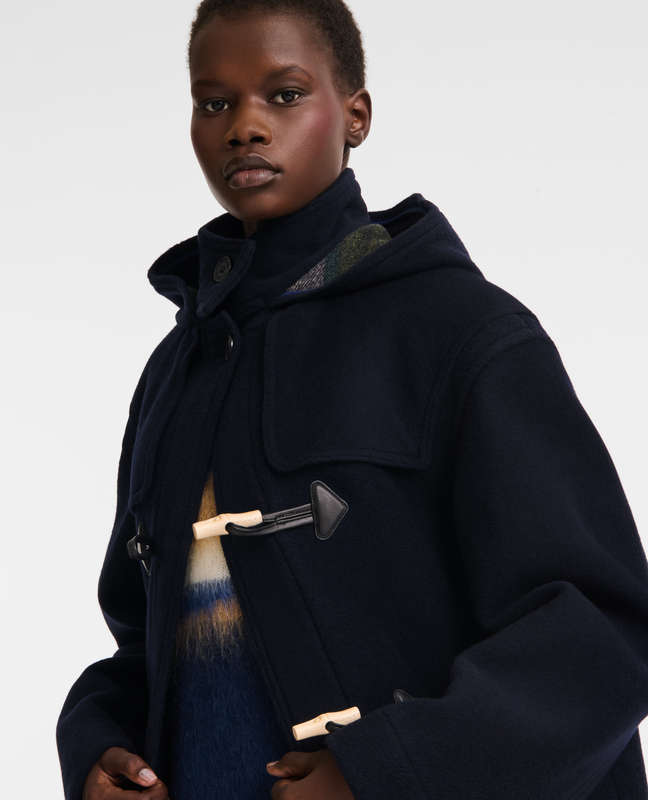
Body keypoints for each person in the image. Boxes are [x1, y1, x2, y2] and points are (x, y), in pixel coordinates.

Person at [57, 1, 648, 798]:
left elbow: (601, 632)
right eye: (214, 102)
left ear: (356, 115)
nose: (244, 128)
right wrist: (98, 742)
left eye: (285, 94)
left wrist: (385, 770)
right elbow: (149, 638)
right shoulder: (178, 371)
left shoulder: (463, 332)